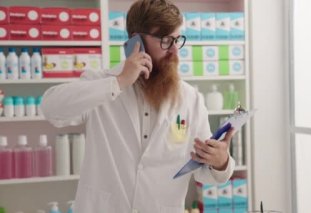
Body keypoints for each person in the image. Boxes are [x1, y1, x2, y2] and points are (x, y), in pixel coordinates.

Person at [41, 0, 236, 212]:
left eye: (177, 40)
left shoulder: (190, 98)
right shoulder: (101, 83)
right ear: (136, 41)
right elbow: (51, 108)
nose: (175, 51)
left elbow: (202, 172)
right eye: (165, 40)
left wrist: (220, 161)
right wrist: (119, 82)